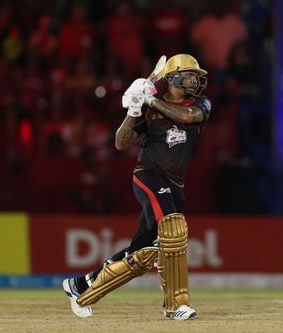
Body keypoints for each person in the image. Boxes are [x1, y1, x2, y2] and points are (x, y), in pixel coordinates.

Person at [62, 54, 212, 320]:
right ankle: (176, 305)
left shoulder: (199, 104)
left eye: (195, 76)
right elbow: (121, 142)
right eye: (189, 75)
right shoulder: (149, 109)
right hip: (149, 176)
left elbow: (186, 117)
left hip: (175, 184)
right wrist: (133, 109)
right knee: (172, 229)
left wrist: (150, 99)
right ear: (173, 78)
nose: (194, 80)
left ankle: (82, 286)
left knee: (142, 250)